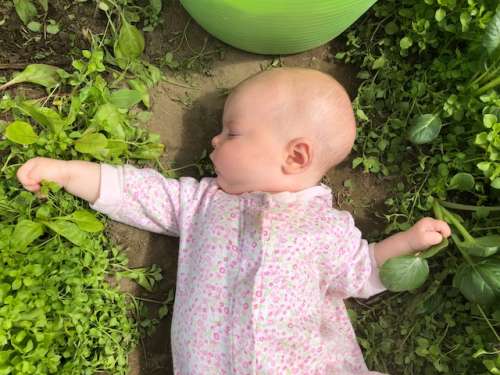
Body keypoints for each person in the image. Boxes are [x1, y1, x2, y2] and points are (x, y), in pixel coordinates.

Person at [17, 68, 451, 374]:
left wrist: (408, 242)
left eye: (232, 132)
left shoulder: (326, 227)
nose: (214, 139)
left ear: (295, 155)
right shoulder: (203, 202)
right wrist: (68, 172)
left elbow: (364, 270)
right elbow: (140, 193)